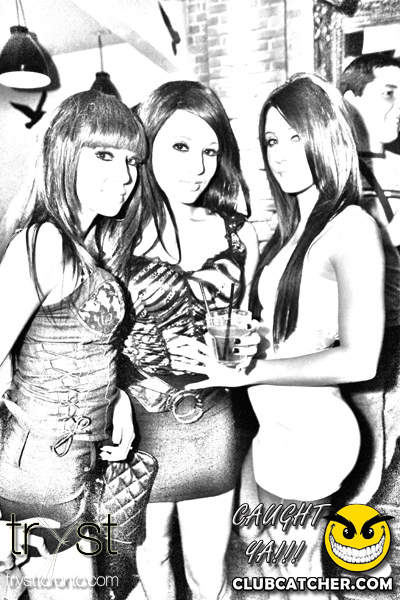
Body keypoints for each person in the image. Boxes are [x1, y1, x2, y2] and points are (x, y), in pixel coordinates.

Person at [175, 74, 385, 593]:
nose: (282, 154)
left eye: (296, 136)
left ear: (326, 134)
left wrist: (249, 372)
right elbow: (295, 329)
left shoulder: (352, 227)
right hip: (274, 432)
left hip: (312, 438)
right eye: (272, 141)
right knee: (266, 569)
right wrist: (250, 340)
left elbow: (360, 359)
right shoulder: (293, 229)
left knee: (295, 580)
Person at [100, 80, 259, 600]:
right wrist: (114, 396)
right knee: (151, 560)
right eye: (181, 147)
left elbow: (244, 325)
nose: (199, 166)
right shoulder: (109, 233)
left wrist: (246, 348)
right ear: (147, 145)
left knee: (207, 573)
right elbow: (91, 338)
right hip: (136, 426)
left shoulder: (238, 234)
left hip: (211, 420)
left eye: (210, 151)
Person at [0, 90, 148, 599]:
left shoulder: (84, 246)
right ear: (64, 153)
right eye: (104, 155)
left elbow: (75, 345)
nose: (124, 175)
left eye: (131, 161)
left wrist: (117, 397)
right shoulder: (45, 241)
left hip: (72, 463)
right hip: (37, 470)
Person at [339, 53, 400, 503]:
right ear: (351, 100)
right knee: (362, 448)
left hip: (395, 325)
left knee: (388, 438)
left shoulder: (392, 167)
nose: (399, 107)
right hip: (360, 334)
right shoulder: (335, 172)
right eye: (388, 93)